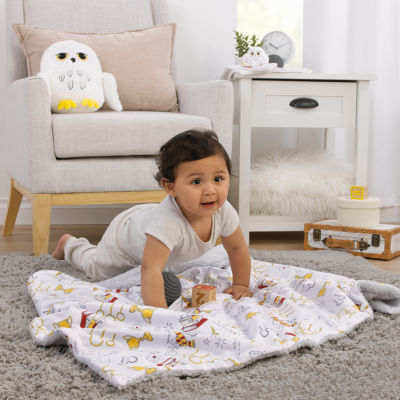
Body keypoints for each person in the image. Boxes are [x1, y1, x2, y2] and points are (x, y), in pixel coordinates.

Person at [53, 129, 253, 308]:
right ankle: (70, 245)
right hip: (122, 240)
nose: (210, 190)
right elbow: (151, 269)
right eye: (196, 181)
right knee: (96, 268)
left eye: (218, 179)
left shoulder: (223, 210)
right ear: (170, 187)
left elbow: (237, 249)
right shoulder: (168, 223)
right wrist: (160, 315)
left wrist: (241, 284)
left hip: (148, 217)